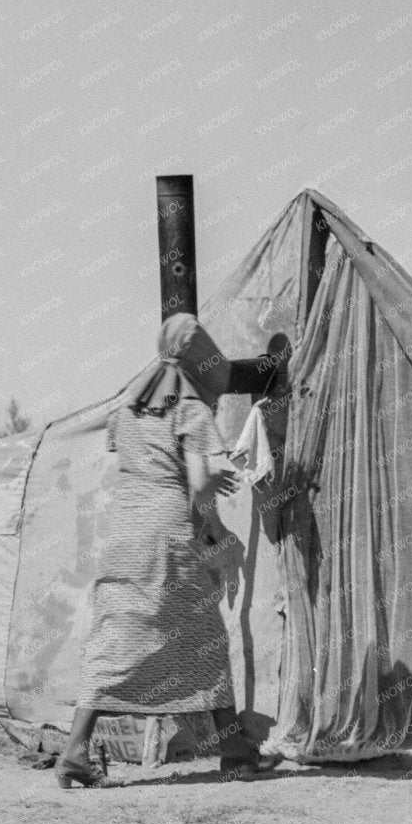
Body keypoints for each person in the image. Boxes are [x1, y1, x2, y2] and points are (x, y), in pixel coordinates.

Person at [56, 313, 276, 787]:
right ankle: (236, 752)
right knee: (205, 638)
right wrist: (215, 484)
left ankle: (74, 751)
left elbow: (143, 468)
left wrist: (209, 516)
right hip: (167, 535)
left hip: (123, 535)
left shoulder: (128, 407)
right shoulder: (190, 409)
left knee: (114, 639)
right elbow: (196, 484)